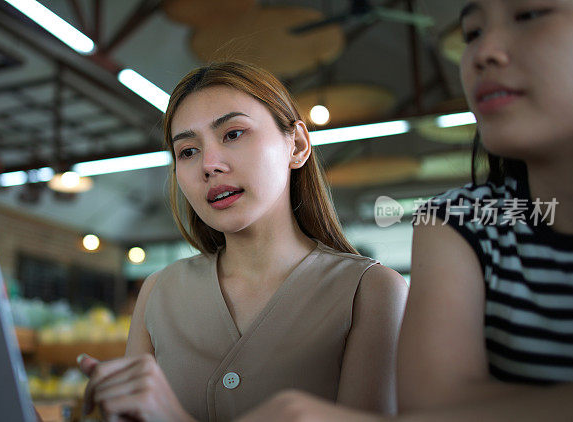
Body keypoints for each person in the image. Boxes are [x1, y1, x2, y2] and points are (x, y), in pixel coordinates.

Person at [237, 1, 573, 420]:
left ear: (297, 145)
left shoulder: (371, 285)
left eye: (530, 15)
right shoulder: (459, 221)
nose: (484, 52)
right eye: (473, 32)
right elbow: (433, 406)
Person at [75, 61, 407, 422]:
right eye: (187, 151)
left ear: (296, 144)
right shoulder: (158, 292)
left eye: (233, 134)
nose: (209, 165)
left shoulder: (371, 291)